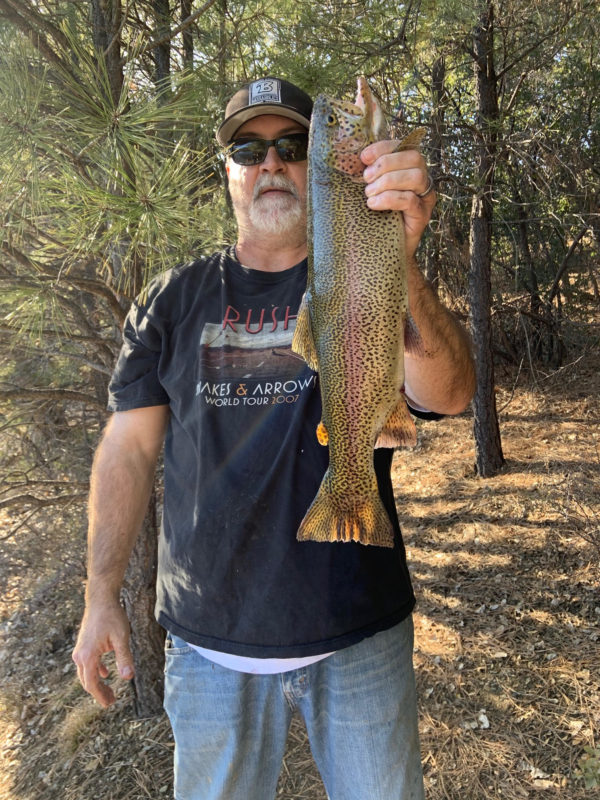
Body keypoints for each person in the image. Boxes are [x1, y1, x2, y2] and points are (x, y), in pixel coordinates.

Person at [73, 77, 475, 800]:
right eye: (248, 149)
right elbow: (126, 451)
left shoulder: (358, 270)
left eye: (291, 146)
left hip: (359, 633)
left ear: (318, 167)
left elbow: (450, 394)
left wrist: (397, 256)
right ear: (226, 169)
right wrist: (101, 593)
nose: (271, 164)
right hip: (206, 644)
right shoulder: (171, 300)